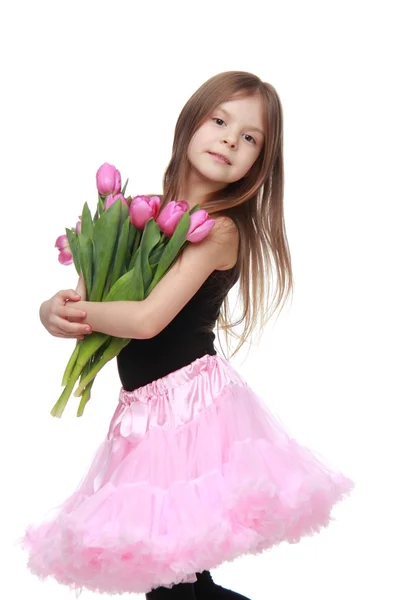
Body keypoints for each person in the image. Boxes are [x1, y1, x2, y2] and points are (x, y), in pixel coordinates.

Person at [18, 71, 354, 599]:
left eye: (249, 138)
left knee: (170, 574)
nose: (229, 139)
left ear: (259, 164)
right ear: (190, 123)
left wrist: (85, 311)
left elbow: (147, 318)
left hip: (189, 410)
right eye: (220, 121)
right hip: (142, 410)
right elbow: (90, 293)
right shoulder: (134, 213)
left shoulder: (219, 229)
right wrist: (50, 310)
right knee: (175, 573)